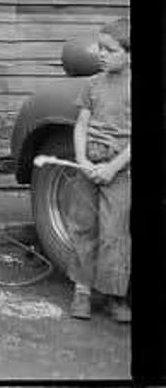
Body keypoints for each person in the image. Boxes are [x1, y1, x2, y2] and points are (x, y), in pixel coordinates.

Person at [67, 17, 131, 323]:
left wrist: (113, 168)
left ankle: (114, 295)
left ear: (129, 54)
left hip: (119, 171)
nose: (101, 55)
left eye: (110, 50)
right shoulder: (92, 84)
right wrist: (82, 159)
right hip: (89, 165)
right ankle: (82, 292)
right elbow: (81, 125)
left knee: (114, 232)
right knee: (84, 227)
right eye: (100, 49)